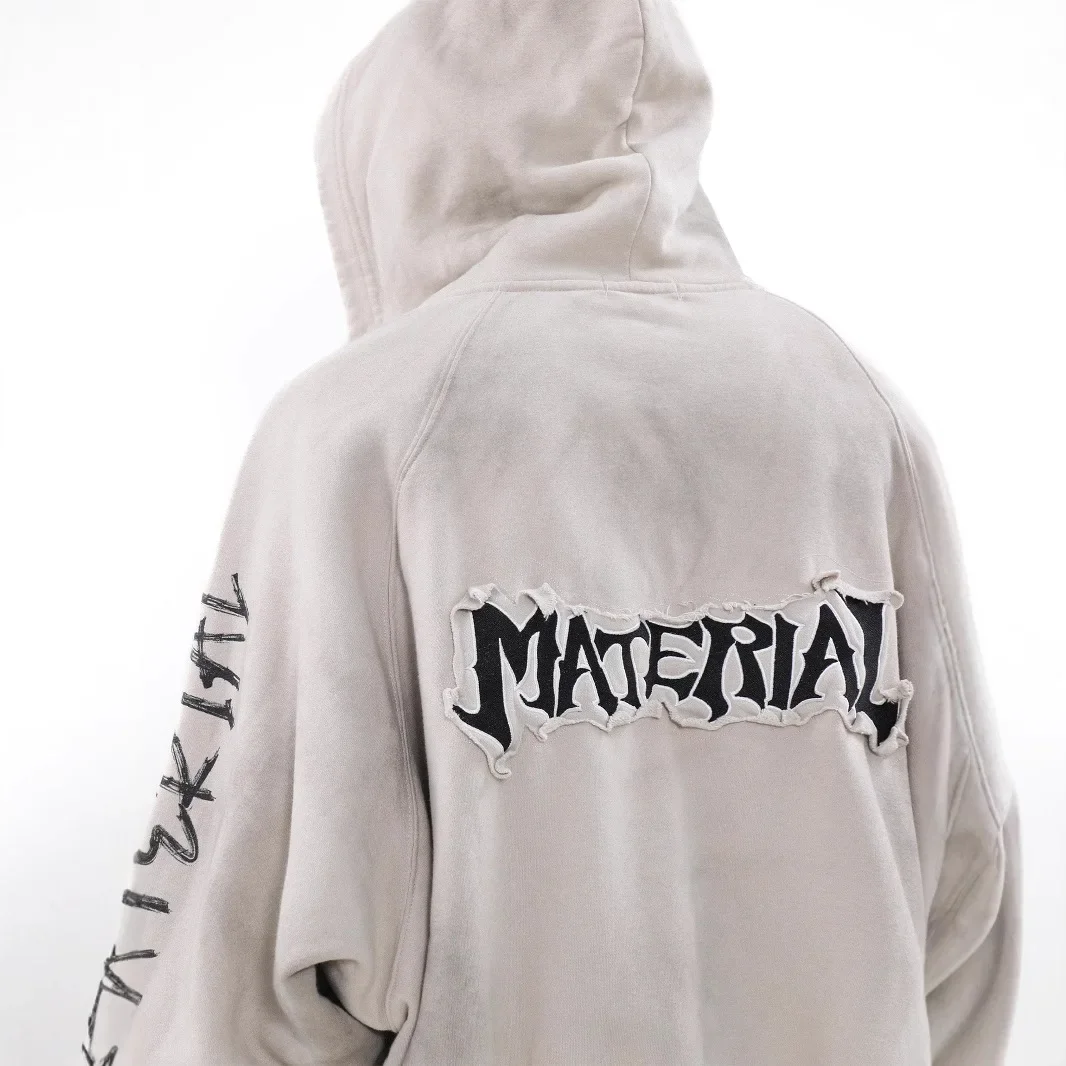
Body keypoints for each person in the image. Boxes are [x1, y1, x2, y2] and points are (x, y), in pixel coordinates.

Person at [80, 1, 1020, 1063]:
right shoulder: (860, 413)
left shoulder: (351, 432)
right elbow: (969, 879)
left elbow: (234, 946)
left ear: (405, 147)